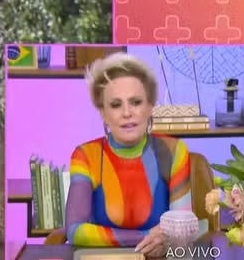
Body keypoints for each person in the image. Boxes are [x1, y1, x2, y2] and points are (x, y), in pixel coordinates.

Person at [63, 52, 191, 257]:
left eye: (136, 102)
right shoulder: (86, 155)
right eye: (115, 105)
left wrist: (170, 238)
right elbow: (75, 230)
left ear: (150, 107)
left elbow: (183, 226)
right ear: (103, 112)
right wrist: (149, 236)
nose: (127, 113)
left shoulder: (174, 151)